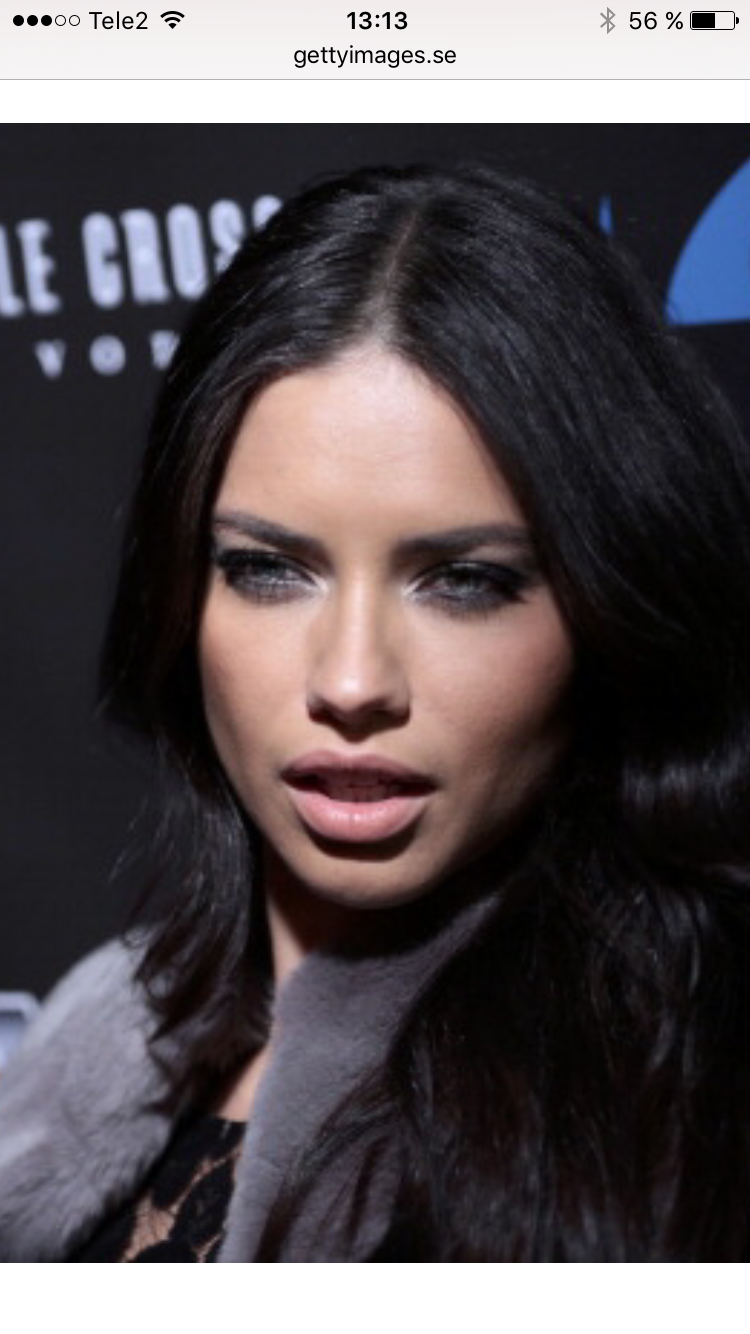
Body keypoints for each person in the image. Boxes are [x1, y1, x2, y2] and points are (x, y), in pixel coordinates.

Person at [1, 161, 750, 1262]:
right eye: (268, 569)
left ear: (612, 606)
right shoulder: (87, 1035)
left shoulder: (697, 1094)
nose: (352, 682)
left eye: (464, 581)